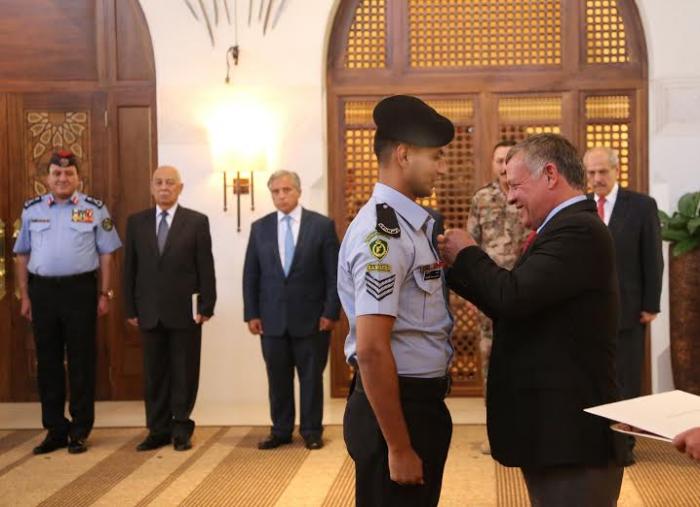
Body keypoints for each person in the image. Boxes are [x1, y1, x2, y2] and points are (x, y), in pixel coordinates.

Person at [439, 134, 623, 506]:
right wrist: (452, 268)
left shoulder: (579, 231)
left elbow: (512, 296)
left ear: (550, 175)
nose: (509, 197)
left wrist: (469, 253)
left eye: (516, 185)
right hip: (551, 432)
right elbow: (512, 303)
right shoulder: (561, 228)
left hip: (570, 438)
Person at [338, 95, 454, 506]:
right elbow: (371, 349)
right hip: (397, 408)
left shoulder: (410, 225)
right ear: (404, 155)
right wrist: (399, 447)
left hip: (416, 404)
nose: (443, 168)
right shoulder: (382, 236)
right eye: (436, 157)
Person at [13, 150, 121, 455]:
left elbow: (107, 254)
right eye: (57, 173)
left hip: (80, 291)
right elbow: (22, 255)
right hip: (43, 292)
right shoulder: (32, 209)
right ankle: (55, 429)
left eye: (69, 173)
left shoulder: (94, 209)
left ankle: (80, 429)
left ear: (78, 178)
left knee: (81, 361)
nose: (63, 178)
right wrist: (25, 295)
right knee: (47, 362)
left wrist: (105, 293)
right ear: (47, 178)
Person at [243, 170, 340, 450]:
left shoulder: (321, 226)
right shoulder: (260, 228)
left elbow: (334, 274)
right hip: (271, 319)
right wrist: (252, 313)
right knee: (277, 378)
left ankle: (311, 431)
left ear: (298, 192)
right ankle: (281, 430)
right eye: (275, 191)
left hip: (313, 319)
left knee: (311, 378)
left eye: (286, 190)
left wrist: (331, 312)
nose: (281, 196)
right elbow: (251, 274)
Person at [123, 165, 216, 452]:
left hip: (186, 312)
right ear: (152, 187)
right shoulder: (136, 222)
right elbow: (130, 269)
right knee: (154, 374)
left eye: (170, 183)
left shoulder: (196, 221)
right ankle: (157, 429)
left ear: (180, 188)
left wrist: (207, 304)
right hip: (149, 311)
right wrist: (130, 308)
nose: (164, 187)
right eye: (159, 182)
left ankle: (181, 427)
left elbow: (206, 266)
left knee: (184, 372)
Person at [584, 146, 663, 464]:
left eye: (602, 171)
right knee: (593, 377)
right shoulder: (580, 206)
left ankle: (624, 444)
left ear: (616, 171)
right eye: (591, 173)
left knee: (627, 378)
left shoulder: (642, 205)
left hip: (629, 309)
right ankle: (597, 439)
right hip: (588, 312)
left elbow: (653, 257)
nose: (597, 178)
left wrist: (651, 304)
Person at [466, 139, 528, 454]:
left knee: (526, 361)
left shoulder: (527, 194)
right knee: (491, 364)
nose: (503, 166)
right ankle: (496, 432)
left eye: (508, 160)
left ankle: (526, 430)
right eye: (499, 161)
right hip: (489, 295)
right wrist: (471, 289)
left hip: (526, 291)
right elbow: (471, 246)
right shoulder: (482, 198)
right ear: (492, 165)